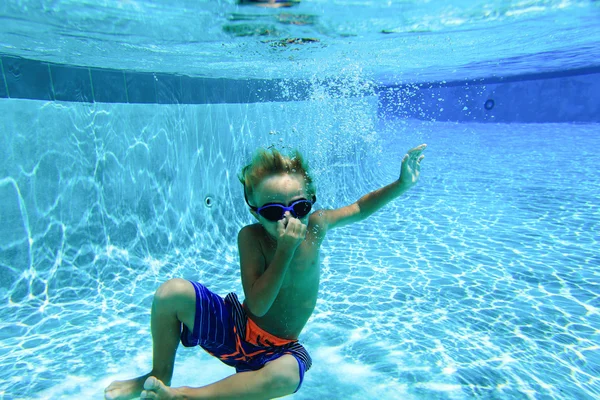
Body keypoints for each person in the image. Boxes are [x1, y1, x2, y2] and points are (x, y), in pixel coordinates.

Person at [104, 143, 427, 400]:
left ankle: (186, 396)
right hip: (237, 330)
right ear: (254, 211)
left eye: (298, 208)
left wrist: (401, 184)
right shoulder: (251, 238)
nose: (287, 220)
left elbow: (359, 207)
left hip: (280, 349)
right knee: (170, 293)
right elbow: (257, 304)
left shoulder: (317, 227)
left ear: (311, 202)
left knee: (289, 376)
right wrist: (285, 251)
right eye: (273, 212)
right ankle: (158, 374)